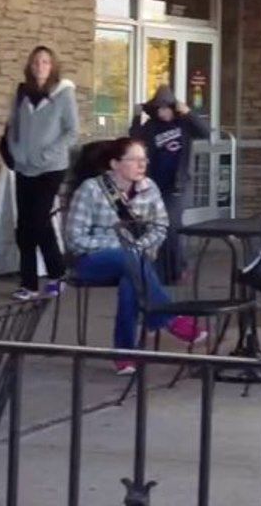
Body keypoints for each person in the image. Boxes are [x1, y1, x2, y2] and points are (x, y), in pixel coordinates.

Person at [62, 137, 207, 375]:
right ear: (115, 164)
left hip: (135, 261)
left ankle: (125, 355)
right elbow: (75, 239)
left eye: (144, 159)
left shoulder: (149, 187)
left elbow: (160, 227)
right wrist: (122, 245)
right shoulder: (91, 189)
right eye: (135, 160)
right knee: (130, 261)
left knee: (133, 277)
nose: (142, 165)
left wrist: (136, 248)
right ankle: (169, 319)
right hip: (91, 261)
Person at [1, 46, 78, 300]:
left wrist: (47, 153)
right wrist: (16, 150)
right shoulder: (23, 92)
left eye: (45, 62)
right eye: (36, 62)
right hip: (25, 167)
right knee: (26, 226)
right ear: (30, 66)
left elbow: (72, 132)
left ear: (52, 66)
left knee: (37, 219)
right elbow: (13, 126)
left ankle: (55, 273)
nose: (40, 66)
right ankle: (31, 283)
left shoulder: (63, 93)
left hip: (51, 167)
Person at [129, 85, 211, 284]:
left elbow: (205, 132)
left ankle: (178, 269)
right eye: (159, 108)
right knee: (158, 226)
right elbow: (134, 138)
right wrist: (136, 116)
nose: (163, 112)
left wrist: (188, 113)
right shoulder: (151, 127)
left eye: (166, 108)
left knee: (172, 225)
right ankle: (164, 272)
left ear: (174, 108)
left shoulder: (184, 124)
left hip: (178, 185)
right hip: (156, 184)